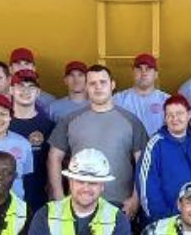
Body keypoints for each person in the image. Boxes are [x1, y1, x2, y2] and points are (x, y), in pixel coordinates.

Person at [47, 64, 150, 214]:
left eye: (103, 82)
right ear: (86, 87)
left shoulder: (131, 121)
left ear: (112, 85)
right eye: (92, 83)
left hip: (119, 204)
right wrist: (58, 195)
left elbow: (143, 162)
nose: (98, 87)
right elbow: (54, 157)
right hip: (78, 204)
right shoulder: (70, 120)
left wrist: (135, 198)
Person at [138, 95, 191, 222]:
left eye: (179, 113)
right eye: (170, 114)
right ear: (164, 118)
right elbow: (147, 188)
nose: (175, 118)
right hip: (166, 222)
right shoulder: (155, 145)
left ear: (189, 115)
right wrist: (163, 220)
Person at [4, 66, 55, 205]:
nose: (26, 91)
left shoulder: (49, 126)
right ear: (11, 90)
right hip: (4, 199)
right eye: (20, 86)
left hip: (38, 200)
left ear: (38, 92)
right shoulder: (1, 124)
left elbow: (54, 165)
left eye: (31, 87)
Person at [113, 52, 169, 133]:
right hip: (129, 145)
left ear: (156, 74)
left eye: (148, 68)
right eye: (139, 68)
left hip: (159, 145)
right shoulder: (119, 100)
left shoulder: (167, 100)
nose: (143, 73)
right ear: (133, 72)